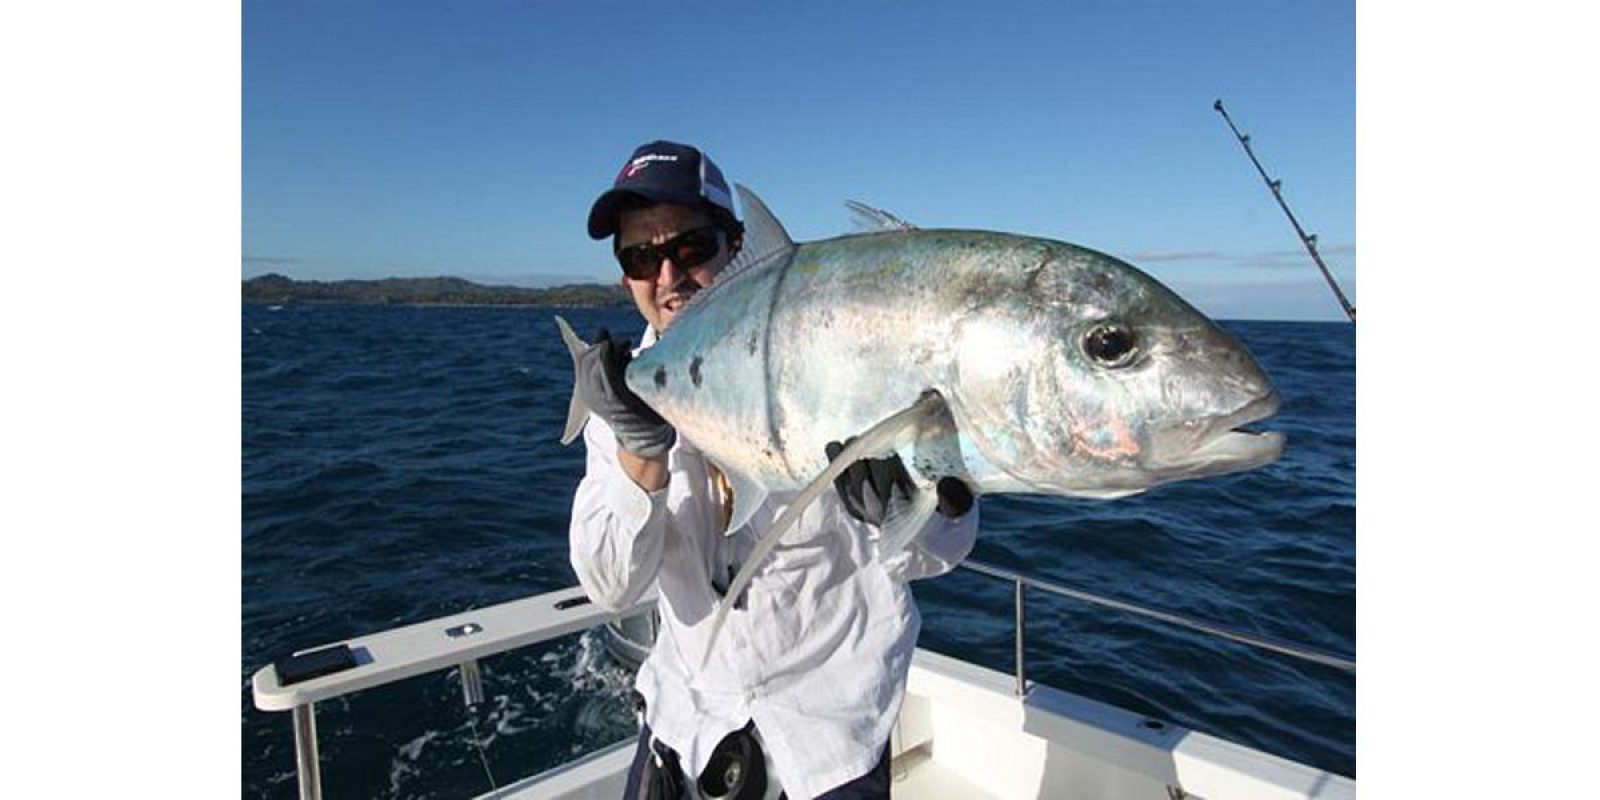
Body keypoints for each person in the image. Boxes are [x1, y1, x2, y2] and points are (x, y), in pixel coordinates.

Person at [568, 140, 979, 799]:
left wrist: (906, 504)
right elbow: (611, 589)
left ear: (736, 250)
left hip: (825, 746)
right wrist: (639, 453)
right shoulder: (625, 404)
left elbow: (950, 545)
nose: (667, 272)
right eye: (641, 255)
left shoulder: (845, 353)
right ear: (626, 278)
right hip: (683, 724)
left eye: (691, 247)